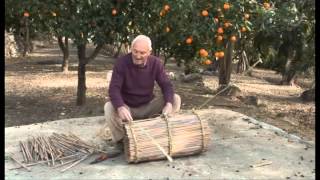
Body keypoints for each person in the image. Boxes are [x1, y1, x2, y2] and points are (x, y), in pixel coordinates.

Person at [104, 35, 181, 150]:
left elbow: (166, 85)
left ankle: (160, 133)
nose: (138, 56)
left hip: (148, 106)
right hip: (128, 109)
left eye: (142, 53)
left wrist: (169, 104)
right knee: (109, 107)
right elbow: (113, 89)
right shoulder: (121, 63)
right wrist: (120, 107)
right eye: (135, 51)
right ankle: (122, 141)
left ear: (149, 52)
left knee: (175, 99)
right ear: (131, 48)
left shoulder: (156, 63)